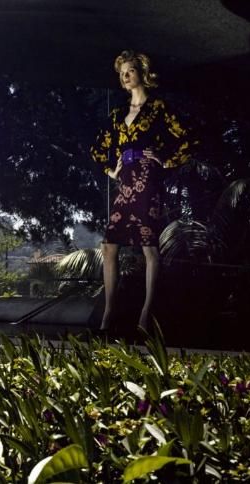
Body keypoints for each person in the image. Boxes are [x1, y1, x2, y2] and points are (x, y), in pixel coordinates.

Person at [90, 50, 195, 332]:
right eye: (122, 73)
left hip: (148, 179)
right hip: (125, 182)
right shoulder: (117, 114)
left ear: (142, 73)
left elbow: (187, 139)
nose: (125, 76)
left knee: (149, 246)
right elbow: (98, 149)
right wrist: (112, 170)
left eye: (130, 71)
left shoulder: (159, 108)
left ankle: (146, 313)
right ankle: (109, 312)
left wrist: (164, 160)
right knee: (109, 246)